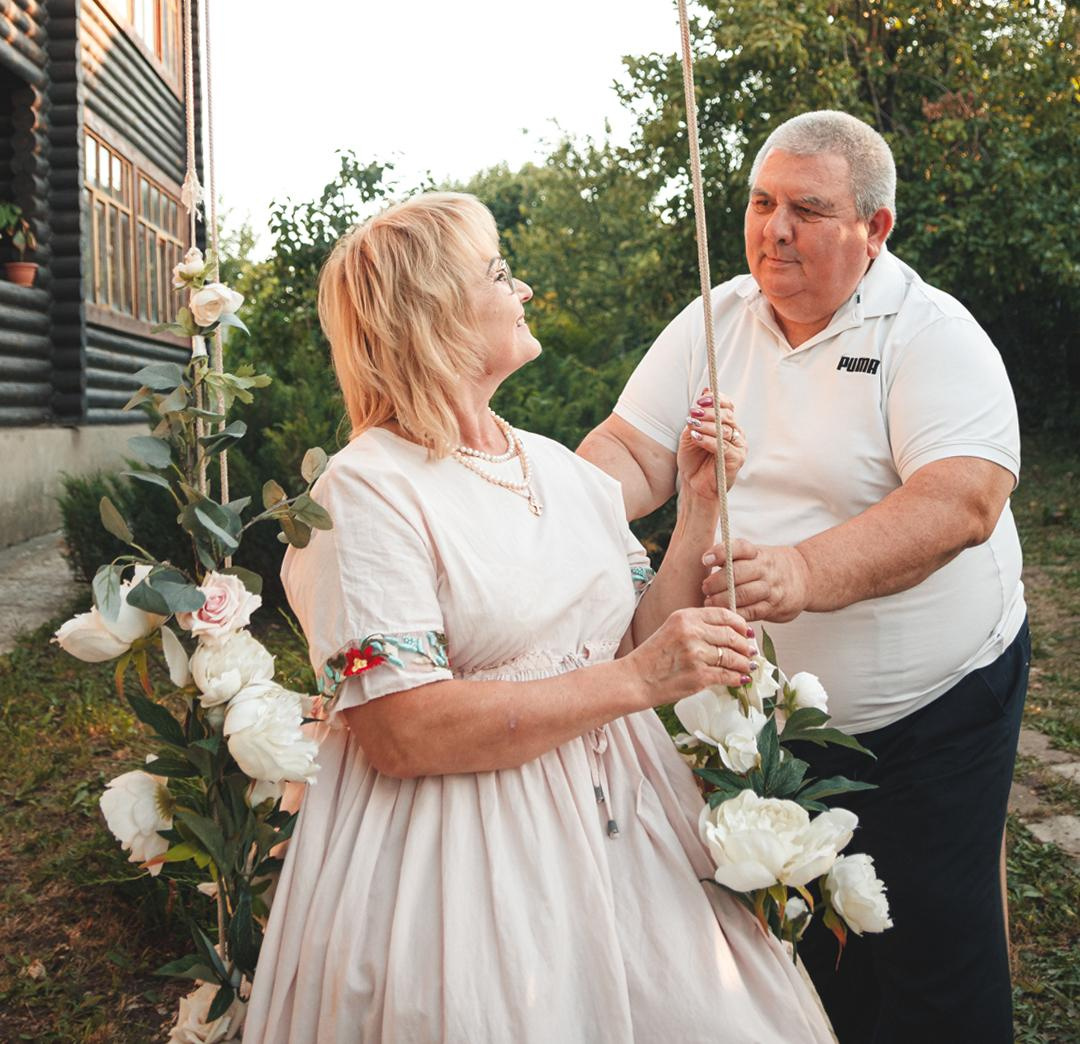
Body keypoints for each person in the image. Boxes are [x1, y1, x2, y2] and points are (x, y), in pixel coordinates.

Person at [243, 192, 833, 1044]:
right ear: (436, 314)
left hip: (629, 832)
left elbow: (627, 641)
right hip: (459, 866)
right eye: (500, 273)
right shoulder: (365, 491)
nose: (523, 291)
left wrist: (700, 504)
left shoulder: (553, 466)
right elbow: (403, 733)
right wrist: (635, 679)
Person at [580, 110, 1027, 1044]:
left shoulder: (930, 333)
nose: (773, 229)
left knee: (932, 947)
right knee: (804, 946)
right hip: (768, 716)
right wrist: (557, 507)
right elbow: (633, 448)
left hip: (933, 712)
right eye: (761, 202)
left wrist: (803, 570)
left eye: (809, 210)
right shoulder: (717, 316)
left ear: (876, 228)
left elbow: (962, 502)